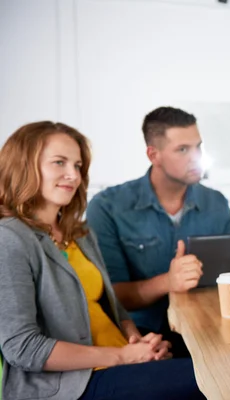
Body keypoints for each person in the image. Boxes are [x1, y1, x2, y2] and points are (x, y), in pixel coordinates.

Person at [0, 122, 204, 400]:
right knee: (214, 378)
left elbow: (113, 306)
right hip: (75, 383)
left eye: (78, 165)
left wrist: (137, 342)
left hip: (119, 356)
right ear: (23, 165)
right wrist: (123, 356)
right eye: (59, 163)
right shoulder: (9, 239)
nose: (72, 175)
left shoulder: (80, 233)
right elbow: (22, 348)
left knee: (217, 356)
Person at [86, 107, 230, 359]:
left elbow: (225, 278)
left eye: (198, 146)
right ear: (153, 155)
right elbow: (111, 296)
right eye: (183, 149)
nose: (196, 157)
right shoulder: (106, 207)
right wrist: (167, 282)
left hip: (208, 331)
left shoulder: (217, 203)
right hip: (141, 337)